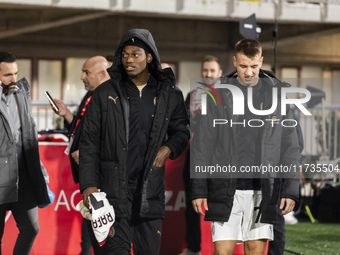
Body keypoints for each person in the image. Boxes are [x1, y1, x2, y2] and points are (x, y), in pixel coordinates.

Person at [79, 28, 190, 255]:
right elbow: (89, 143)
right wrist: (89, 185)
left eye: (136, 54)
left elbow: (182, 131)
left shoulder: (169, 93)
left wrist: (167, 149)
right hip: (112, 193)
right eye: (125, 54)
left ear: (149, 57)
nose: (129, 59)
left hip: (149, 192)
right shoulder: (104, 93)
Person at [190, 39, 300, 255]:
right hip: (225, 187)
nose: (248, 72)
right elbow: (202, 145)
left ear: (261, 61)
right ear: (234, 62)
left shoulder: (278, 96)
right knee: (222, 252)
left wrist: (290, 189)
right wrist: (199, 189)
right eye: (243, 66)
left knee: (256, 252)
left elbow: (290, 147)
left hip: (263, 189)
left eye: (253, 66)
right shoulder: (218, 95)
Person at [52, 56, 110, 254]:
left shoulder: (110, 100)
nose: (82, 77)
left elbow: (112, 140)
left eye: (87, 73)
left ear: (103, 74)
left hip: (102, 178)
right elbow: (81, 129)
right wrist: (67, 115)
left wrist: (88, 153)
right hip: (88, 177)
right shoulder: (90, 95)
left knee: (101, 237)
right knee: (90, 235)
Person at [0, 51, 50, 255]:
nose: (14, 79)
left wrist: (40, 169)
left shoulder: (21, 93)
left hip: (24, 178)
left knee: (31, 229)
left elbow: (28, 135)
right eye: (7, 75)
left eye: (15, 73)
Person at [180, 55, 223, 255]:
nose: (208, 74)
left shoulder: (228, 95)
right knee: (192, 204)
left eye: (212, 70)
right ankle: (193, 248)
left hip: (218, 158)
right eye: (205, 70)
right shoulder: (193, 94)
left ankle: (220, 249)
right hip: (194, 155)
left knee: (219, 205)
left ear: (220, 73)